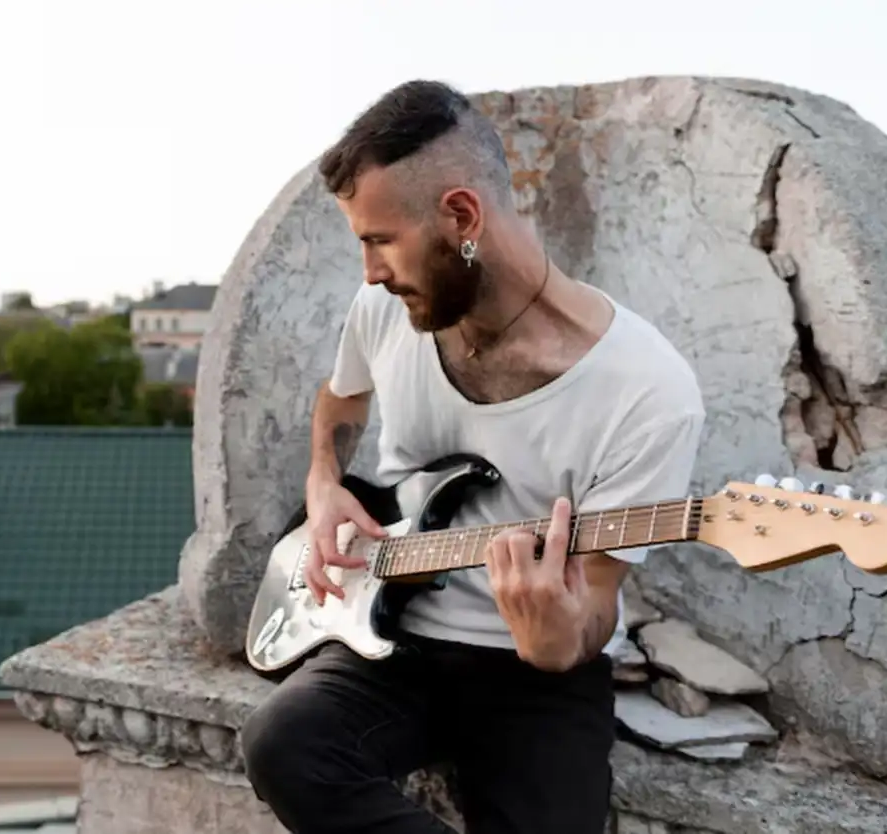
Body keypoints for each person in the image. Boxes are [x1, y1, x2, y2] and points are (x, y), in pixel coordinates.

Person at [240, 79, 706, 834]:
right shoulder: (383, 311)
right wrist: (324, 482)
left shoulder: (647, 391)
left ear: (460, 217)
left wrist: (562, 642)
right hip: (393, 639)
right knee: (280, 744)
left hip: (535, 675)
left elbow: (597, 597)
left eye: (379, 239)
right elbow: (341, 400)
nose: (369, 273)